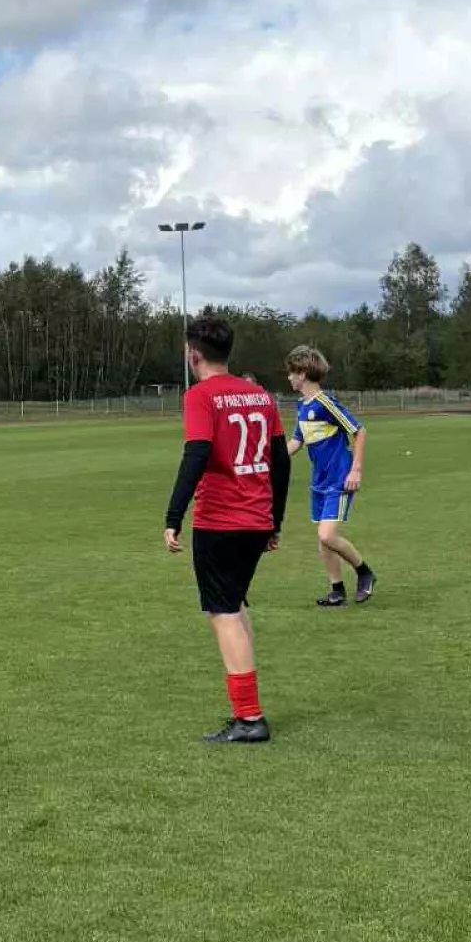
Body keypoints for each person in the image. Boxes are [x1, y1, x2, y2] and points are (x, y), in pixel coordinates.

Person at [164, 317, 292, 744]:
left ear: (193, 354)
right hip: (256, 519)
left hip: (220, 520)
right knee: (234, 606)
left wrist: (173, 516)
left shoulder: (200, 396)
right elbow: (281, 460)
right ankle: (249, 708)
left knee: (223, 613)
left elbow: (196, 453)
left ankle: (249, 718)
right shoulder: (260, 394)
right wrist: (275, 519)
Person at [284, 346, 377, 606]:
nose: (289, 378)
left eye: (291, 373)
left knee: (327, 536)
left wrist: (355, 469)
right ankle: (337, 590)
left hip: (339, 477)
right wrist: (268, 458)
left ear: (302, 374)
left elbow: (358, 431)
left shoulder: (325, 403)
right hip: (319, 480)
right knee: (323, 540)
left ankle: (364, 572)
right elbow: (295, 442)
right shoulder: (302, 406)